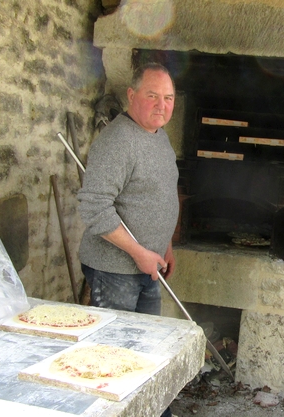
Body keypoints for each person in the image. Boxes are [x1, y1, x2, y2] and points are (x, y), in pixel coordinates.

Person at [77, 63, 178, 416]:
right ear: (132, 96)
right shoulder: (118, 141)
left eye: (168, 98)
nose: (161, 104)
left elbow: (158, 195)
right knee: (115, 361)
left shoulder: (159, 136)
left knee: (143, 355)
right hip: (114, 270)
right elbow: (93, 207)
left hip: (147, 265)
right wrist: (138, 252)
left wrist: (165, 244)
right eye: (152, 95)